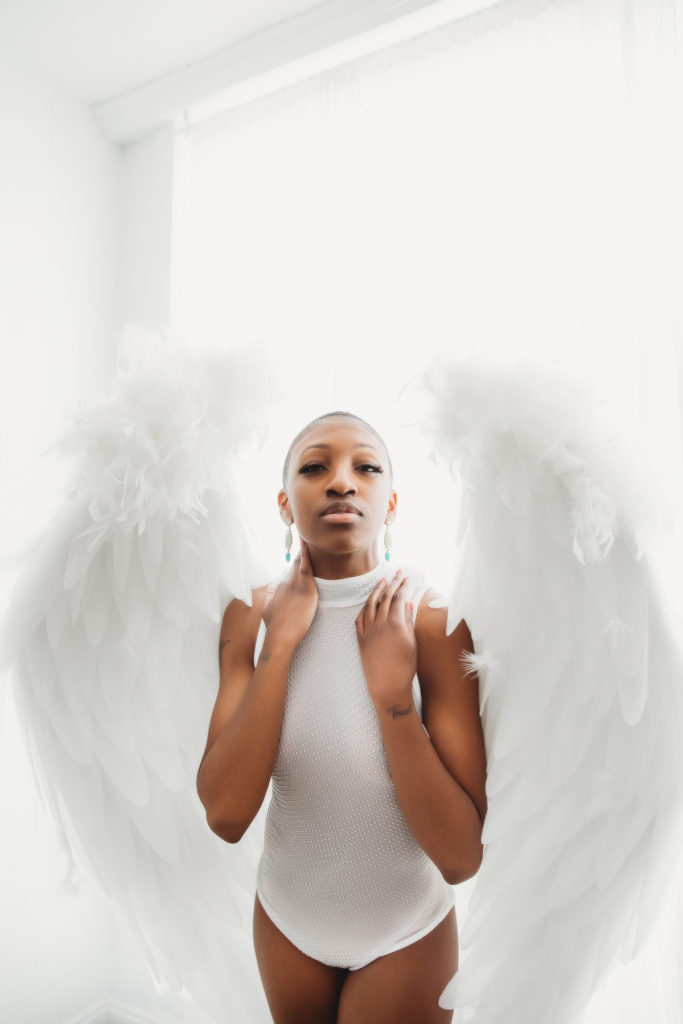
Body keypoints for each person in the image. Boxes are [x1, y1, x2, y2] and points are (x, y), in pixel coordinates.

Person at [196, 410, 488, 1024]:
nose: (341, 481)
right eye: (314, 467)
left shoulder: (435, 619)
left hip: (405, 933)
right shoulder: (250, 617)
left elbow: (461, 857)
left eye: (366, 467)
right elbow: (225, 815)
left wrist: (393, 697)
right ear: (284, 503)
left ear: (392, 501)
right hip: (285, 925)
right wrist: (279, 649)